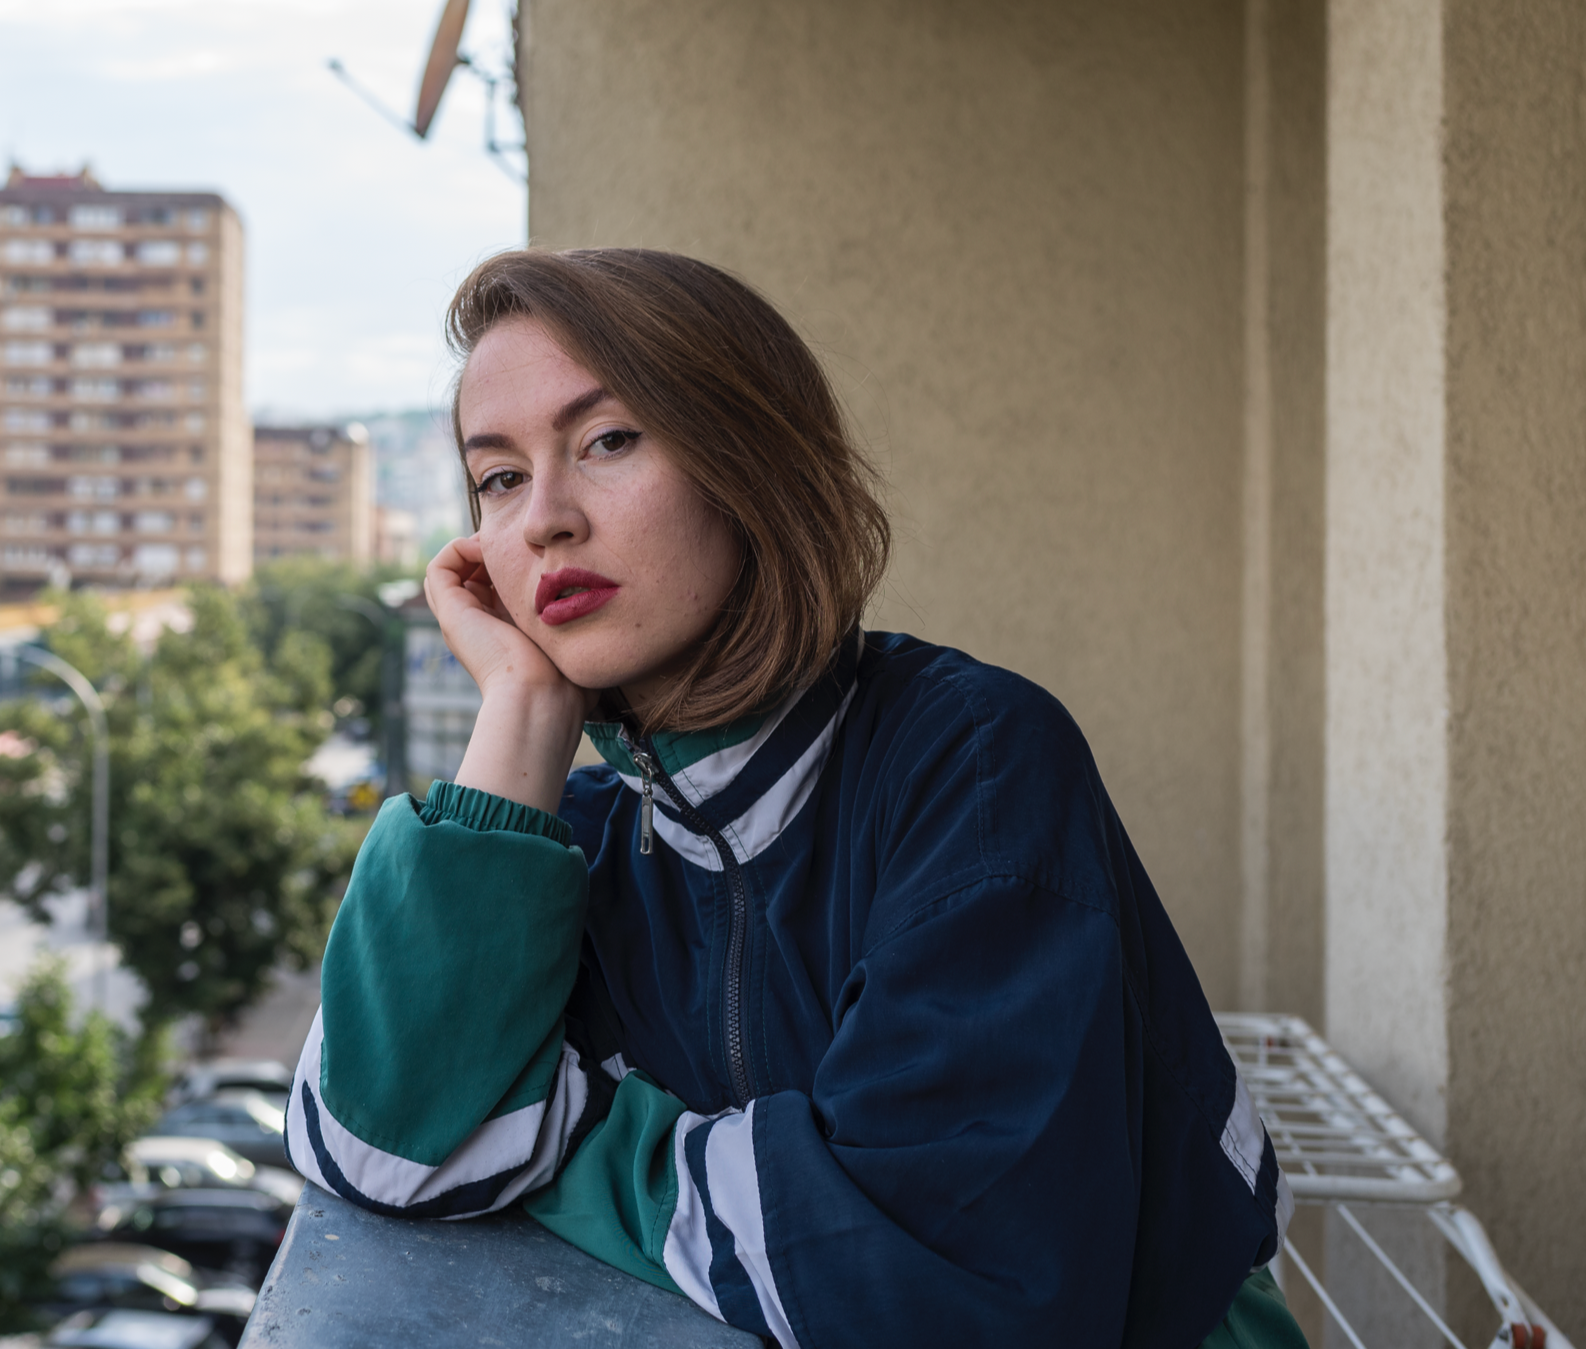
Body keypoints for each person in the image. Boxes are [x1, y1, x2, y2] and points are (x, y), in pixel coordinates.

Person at [286, 248, 1305, 1348]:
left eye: (608, 440)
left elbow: (932, 1281)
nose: (544, 520)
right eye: (498, 476)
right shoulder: (583, 838)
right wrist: (523, 709)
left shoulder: (969, 761)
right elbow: (378, 1144)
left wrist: (555, 1130)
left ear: (748, 462)